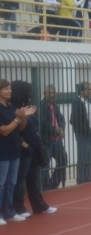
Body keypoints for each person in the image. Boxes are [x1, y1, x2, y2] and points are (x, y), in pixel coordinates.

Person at [10, 81, 56, 218]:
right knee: (20, 179)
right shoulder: (14, 109)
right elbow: (17, 130)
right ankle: (18, 207)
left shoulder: (27, 107)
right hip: (24, 149)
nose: (31, 94)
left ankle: (39, 205)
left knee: (33, 179)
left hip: (34, 147)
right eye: (29, 91)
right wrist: (24, 144)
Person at [1, 79, 37, 224]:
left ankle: (9, 211)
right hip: (2, 151)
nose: (9, 91)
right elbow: (4, 131)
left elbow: (20, 128)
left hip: (14, 150)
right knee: (1, 184)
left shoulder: (10, 107)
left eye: (10, 88)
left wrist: (23, 117)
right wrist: (17, 119)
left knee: (11, 183)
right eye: (5, 88)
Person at [70, 82, 91, 184]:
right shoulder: (77, 103)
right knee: (83, 157)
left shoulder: (89, 103)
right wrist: (83, 131)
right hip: (83, 135)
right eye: (88, 89)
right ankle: (81, 179)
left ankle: (87, 177)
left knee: (89, 157)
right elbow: (73, 120)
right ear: (82, 91)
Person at [40, 85, 67, 190]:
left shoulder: (55, 105)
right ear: (44, 93)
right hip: (47, 140)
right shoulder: (41, 105)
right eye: (49, 93)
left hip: (57, 140)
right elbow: (43, 123)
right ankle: (45, 187)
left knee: (63, 161)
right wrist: (55, 130)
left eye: (53, 93)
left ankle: (53, 183)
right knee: (45, 165)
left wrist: (61, 129)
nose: (51, 95)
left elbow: (61, 119)